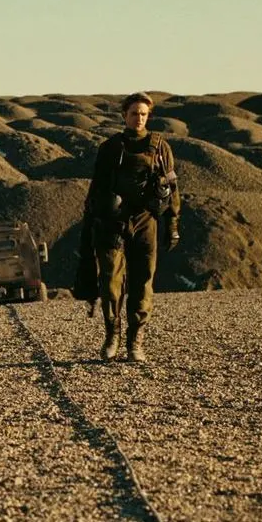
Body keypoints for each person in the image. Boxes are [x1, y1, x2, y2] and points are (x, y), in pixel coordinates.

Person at [76, 92, 180, 362]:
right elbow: (96, 189)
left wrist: (172, 224)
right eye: (134, 113)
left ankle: (136, 342)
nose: (139, 118)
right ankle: (112, 336)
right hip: (112, 224)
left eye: (144, 114)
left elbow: (172, 188)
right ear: (124, 115)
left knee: (143, 283)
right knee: (111, 284)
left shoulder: (160, 148)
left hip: (146, 222)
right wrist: (91, 224)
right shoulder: (110, 148)